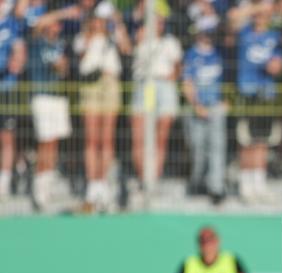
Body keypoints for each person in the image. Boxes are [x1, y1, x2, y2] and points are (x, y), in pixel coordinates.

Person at [73, 1, 131, 210]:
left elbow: (126, 48)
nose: (99, 22)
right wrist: (91, 32)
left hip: (110, 84)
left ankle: (103, 182)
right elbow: (80, 54)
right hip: (91, 86)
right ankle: (92, 183)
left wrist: (117, 22)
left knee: (107, 139)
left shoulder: (112, 36)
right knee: (92, 139)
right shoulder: (83, 37)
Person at [228, 0, 282, 201]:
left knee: (262, 140)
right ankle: (246, 183)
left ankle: (259, 183)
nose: (261, 17)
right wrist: (258, 6)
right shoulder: (244, 32)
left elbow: (279, 61)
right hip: (247, 91)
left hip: (266, 92)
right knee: (246, 139)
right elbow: (232, 19)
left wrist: (276, 66)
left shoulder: (274, 36)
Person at [130, 6, 182, 188]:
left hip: (164, 86)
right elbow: (129, 54)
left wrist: (171, 78)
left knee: (161, 137)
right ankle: (143, 179)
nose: (158, 24)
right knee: (140, 136)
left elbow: (177, 66)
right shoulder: (140, 37)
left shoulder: (171, 42)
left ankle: (154, 180)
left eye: (161, 21)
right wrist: (139, 39)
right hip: (144, 85)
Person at [28, 5, 73, 210]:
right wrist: (63, 12)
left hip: (58, 97)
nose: (57, 27)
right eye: (54, 24)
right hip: (42, 96)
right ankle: (39, 190)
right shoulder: (37, 41)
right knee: (45, 142)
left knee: (54, 143)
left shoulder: (60, 44)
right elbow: (37, 25)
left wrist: (62, 66)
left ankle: (47, 187)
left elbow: (64, 70)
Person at [182, 23, 227, 204]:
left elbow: (228, 78)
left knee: (217, 147)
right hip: (197, 108)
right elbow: (187, 81)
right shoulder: (191, 54)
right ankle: (197, 182)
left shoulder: (220, 53)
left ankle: (215, 188)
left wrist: (226, 101)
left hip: (215, 107)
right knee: (197, 148)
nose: (208, 35)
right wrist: (196, 104)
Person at [0, 3, 25, 199]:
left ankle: (4, 181)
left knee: (7, 136)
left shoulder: (11, 24)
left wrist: (15, 60)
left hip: (6, 89)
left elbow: (19, 57)